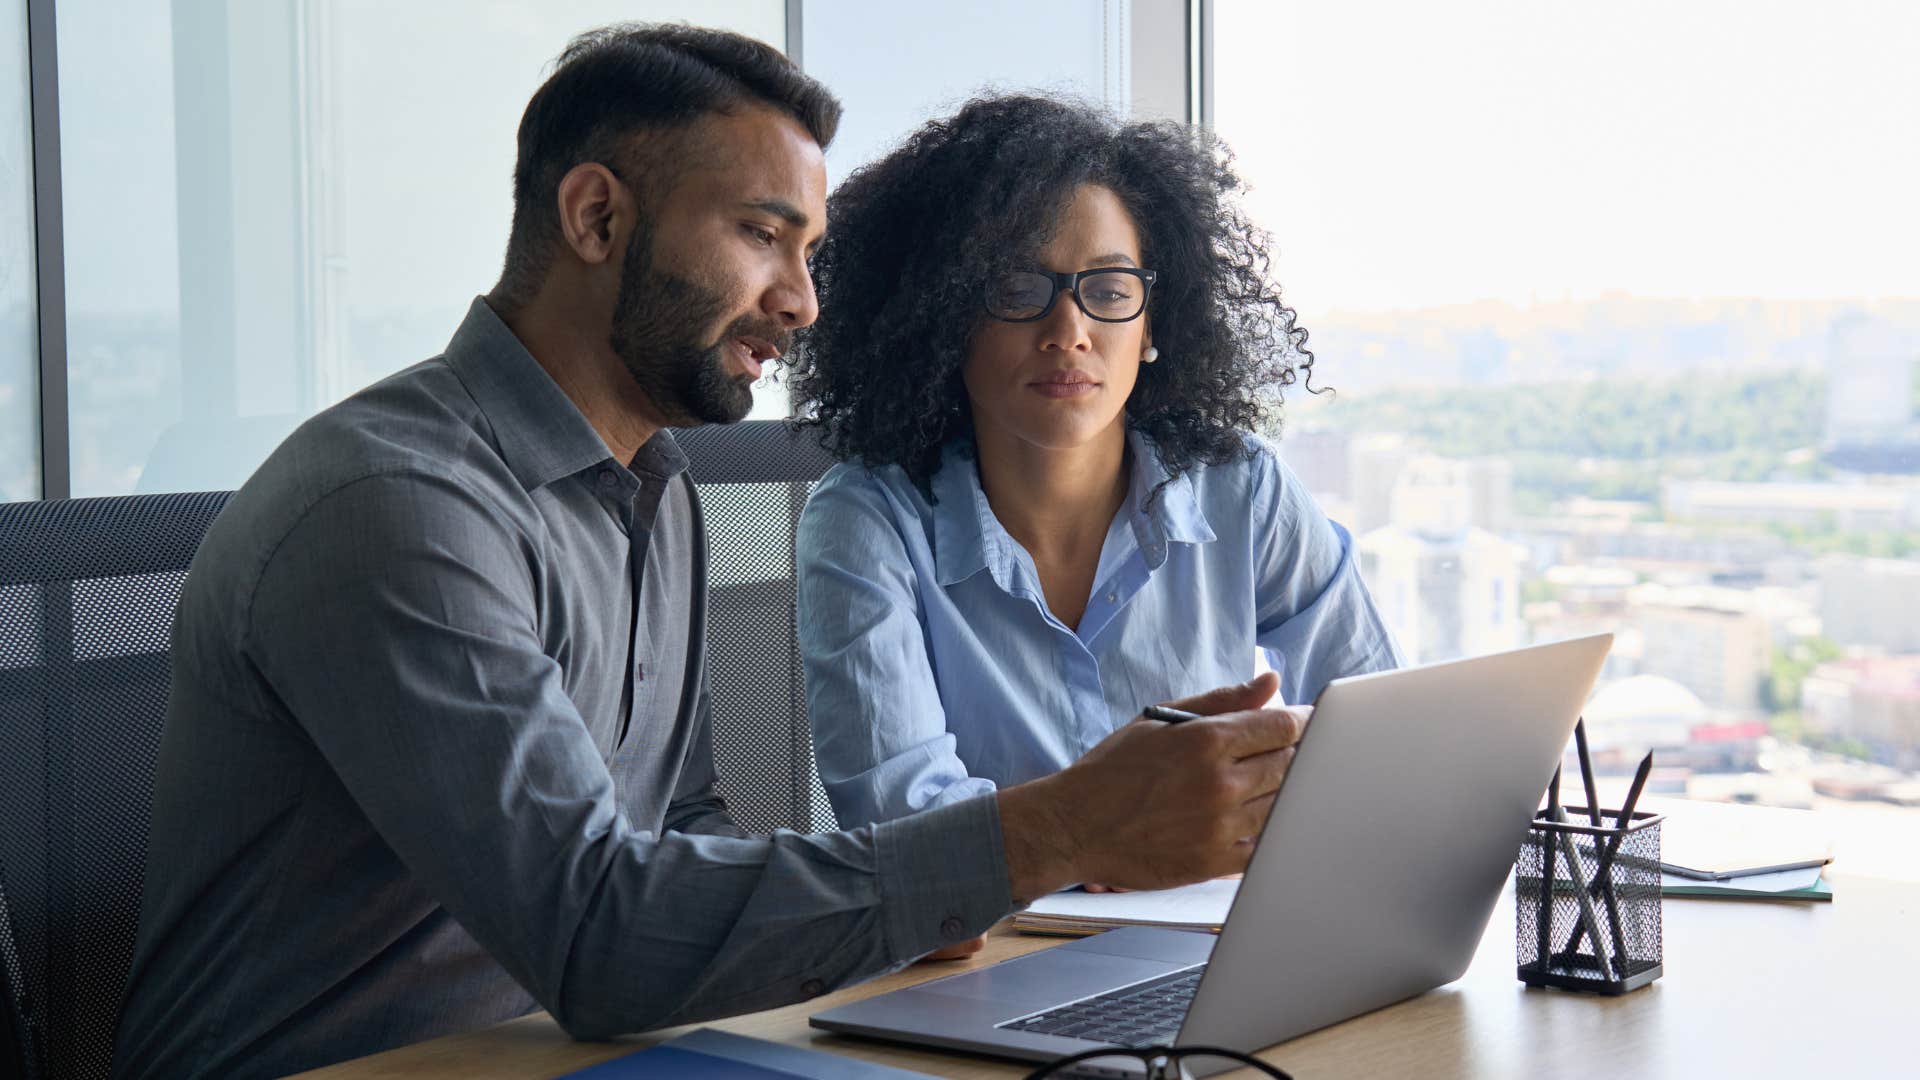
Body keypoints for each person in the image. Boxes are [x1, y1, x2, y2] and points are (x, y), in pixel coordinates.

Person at [110, 27, 1309, 1080]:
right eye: (761, 236)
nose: (803, 301)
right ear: (596, 218)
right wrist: (1047, 834)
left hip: (581, 1054)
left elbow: (679, 825)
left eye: (809, 249)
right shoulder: (399, 508)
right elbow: (597, 935)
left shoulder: (655, 486)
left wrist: (912, 896)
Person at [789, 95, 1401, 839]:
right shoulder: (866, 521)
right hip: (990, 949)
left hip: (1216, 931)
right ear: (946, 317)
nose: (1069, 332)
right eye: (1018, 289)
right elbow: (908, 829)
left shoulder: (1242, 489)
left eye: (1109, 291)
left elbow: (1379, 729)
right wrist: (1122, 837)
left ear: (1151, 326)